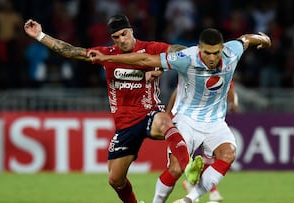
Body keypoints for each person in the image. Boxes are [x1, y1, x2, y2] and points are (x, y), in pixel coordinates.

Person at [24, 14, 195, 203]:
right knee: (115, 179)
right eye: (116, 37)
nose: (122, 40)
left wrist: (162, 66)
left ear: (131, 31)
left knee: (164, 120)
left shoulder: (151, 49)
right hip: (125, 126)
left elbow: (182, 51)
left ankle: (190, 167)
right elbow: (71, 51)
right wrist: (40, 35)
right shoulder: (107, 54)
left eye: (124, 34)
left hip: (149, 113)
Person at [87, 28, 271, 203]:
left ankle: (190, 198)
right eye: (207, 53)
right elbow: (144, 60)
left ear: (222, 49)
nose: (212, 58)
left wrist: (264, 40)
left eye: (216, 53)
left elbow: (246, 39)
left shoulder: (232, 52)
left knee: (229, 153)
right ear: (200, 49)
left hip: (215, 122)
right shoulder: (186, 58)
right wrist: (108, 58)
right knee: (175, 169)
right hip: (186, 120)